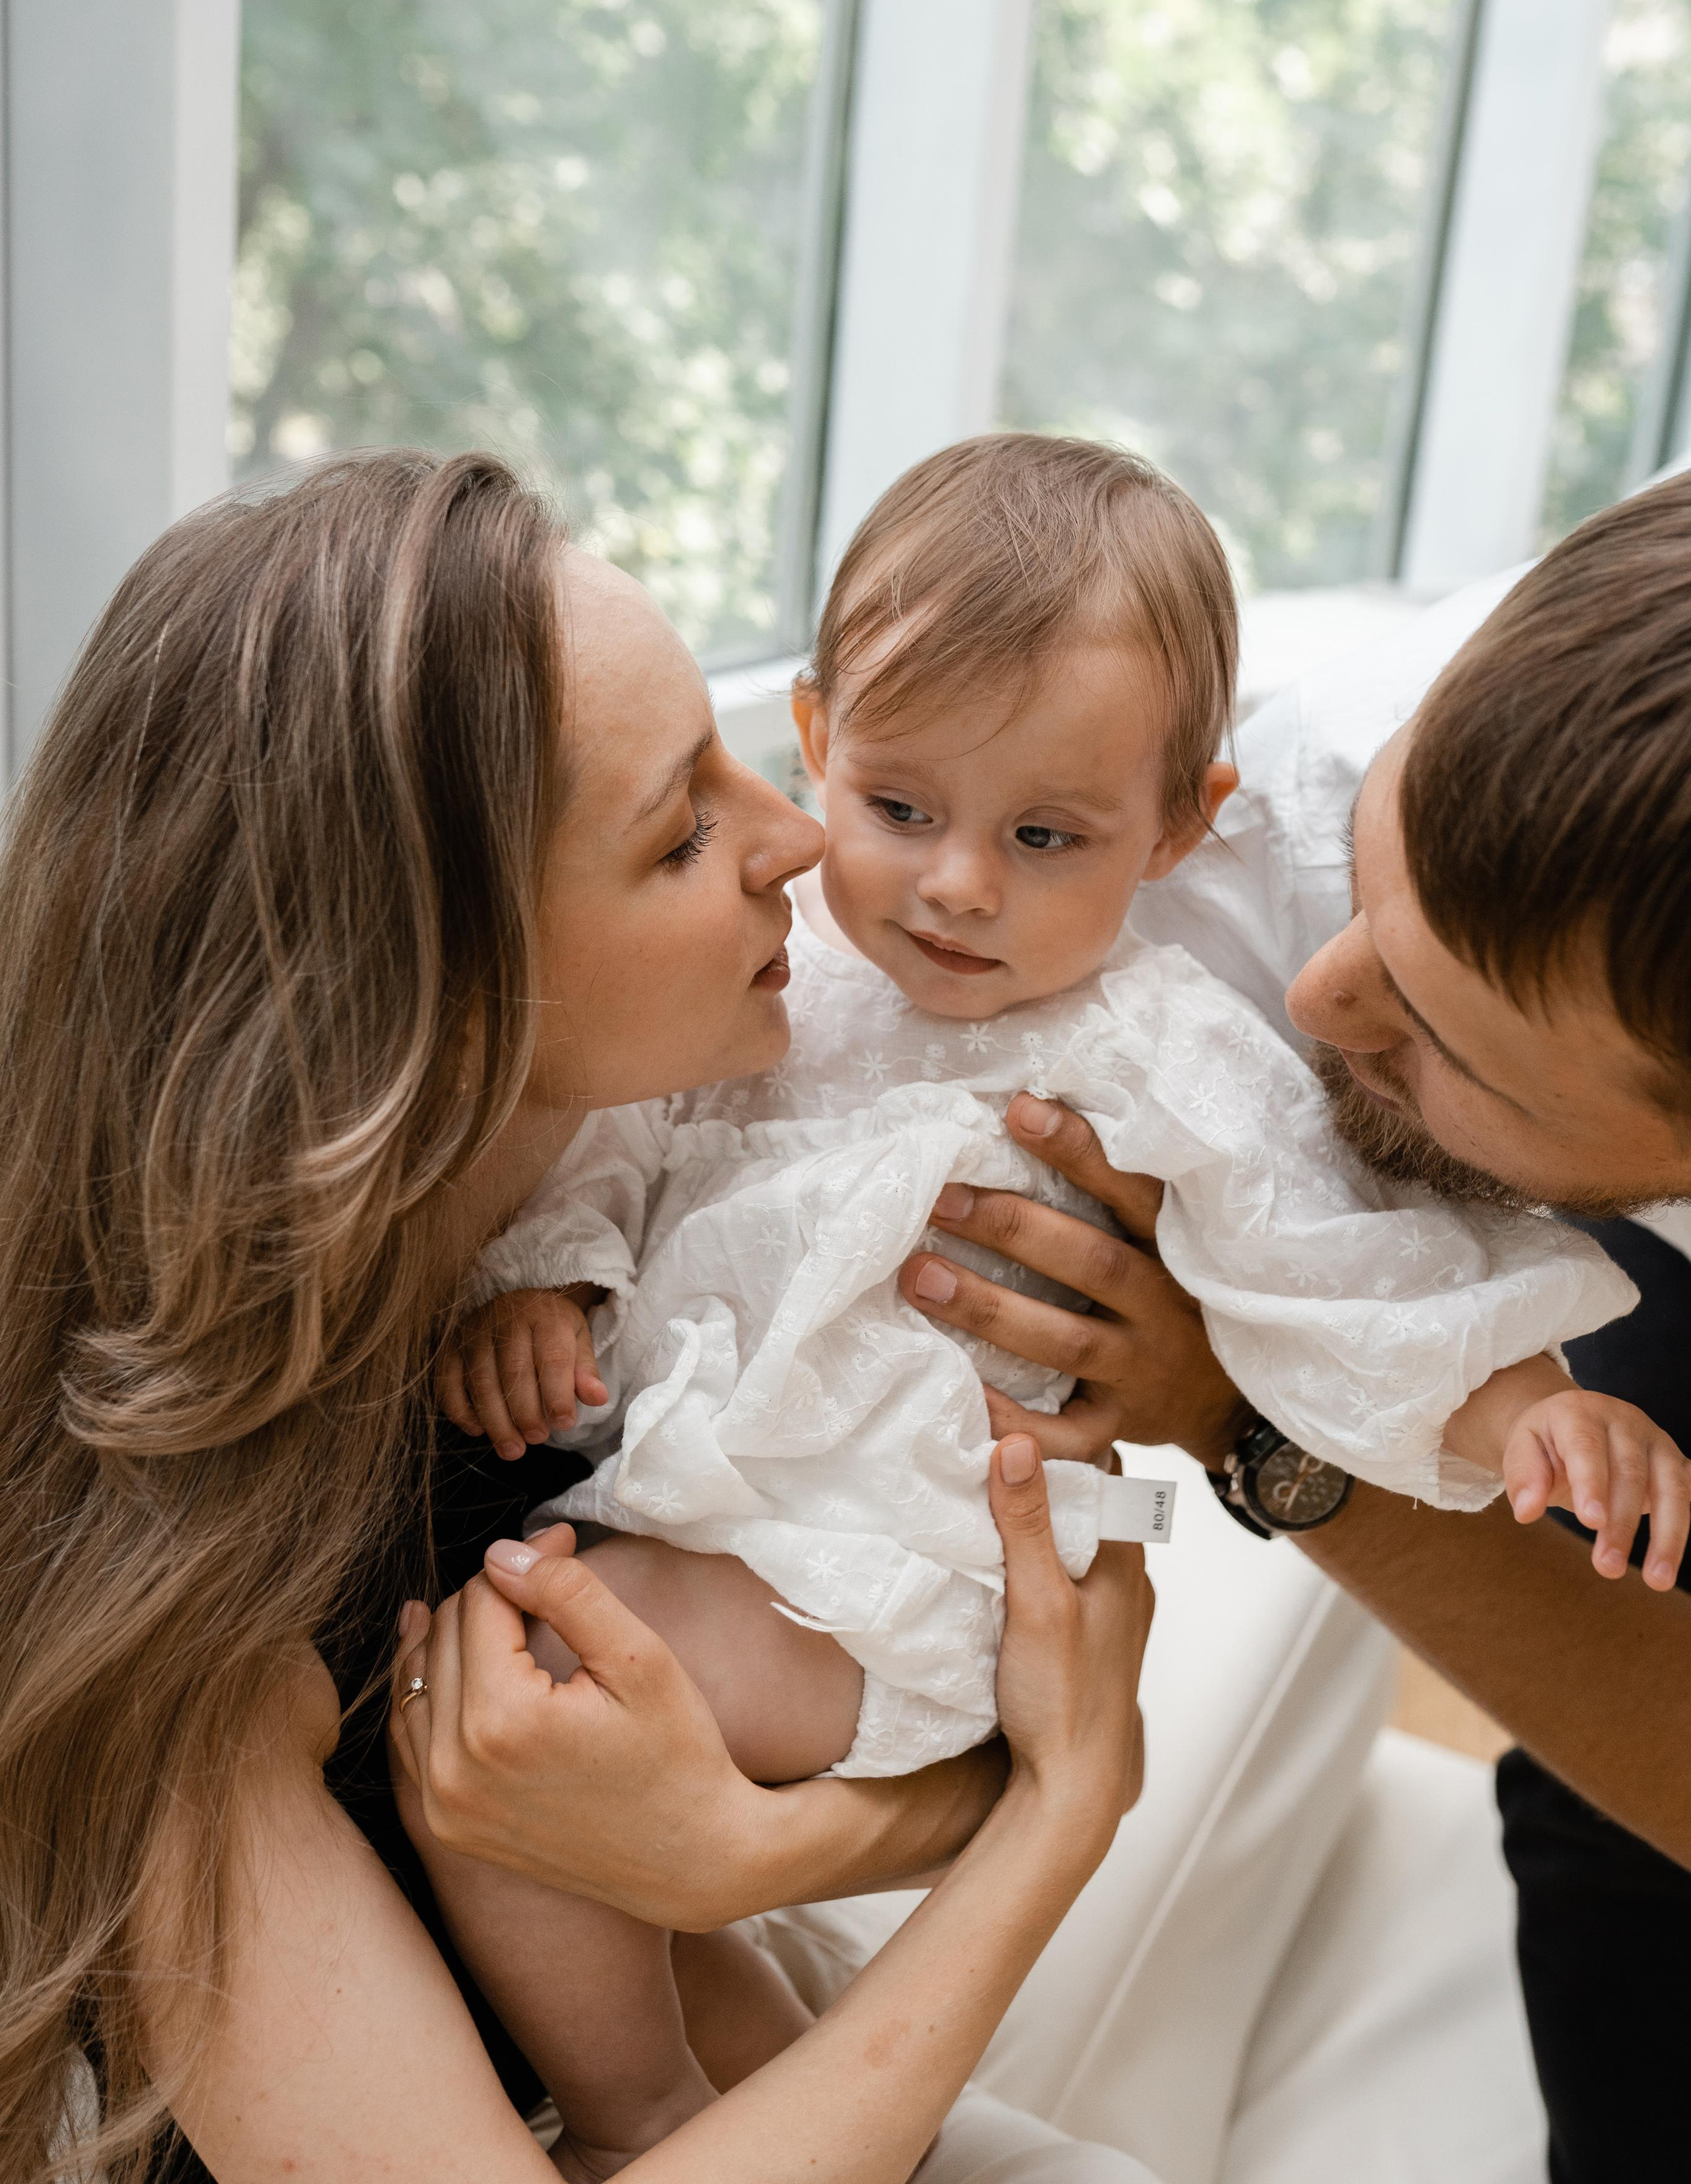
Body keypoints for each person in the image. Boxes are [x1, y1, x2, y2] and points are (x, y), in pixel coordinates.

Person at [428, 433, 1676, 2174]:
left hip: (900, 1564)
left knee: (522, 1689)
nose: (955, 885)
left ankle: (642, 2115)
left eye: (1038, 836)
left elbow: (1339, 1272)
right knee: (527, 1701)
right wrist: (541, 1279)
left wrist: (1517, 1407)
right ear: (820, 749)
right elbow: (632, 1133)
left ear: (1178, 824)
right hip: (704, 1493)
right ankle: (734, 2065)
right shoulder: (824, 942)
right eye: (899, 810)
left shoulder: (1166, 1045)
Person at [0, 448, 1156, 2184]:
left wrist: (736, 1857)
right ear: (427, 998)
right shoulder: (185, 1634)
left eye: (737, 757)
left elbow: (1015, 1692)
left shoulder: (679, 1204)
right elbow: (1060, 1764)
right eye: (681, 830)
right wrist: (1053, 1832)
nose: (791, 840)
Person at [873, 470, 1691, 2183]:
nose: (1320, 998)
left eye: (1446, 1045)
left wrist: (1245, 1416)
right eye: (1363, 873)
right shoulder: (1519, 682)